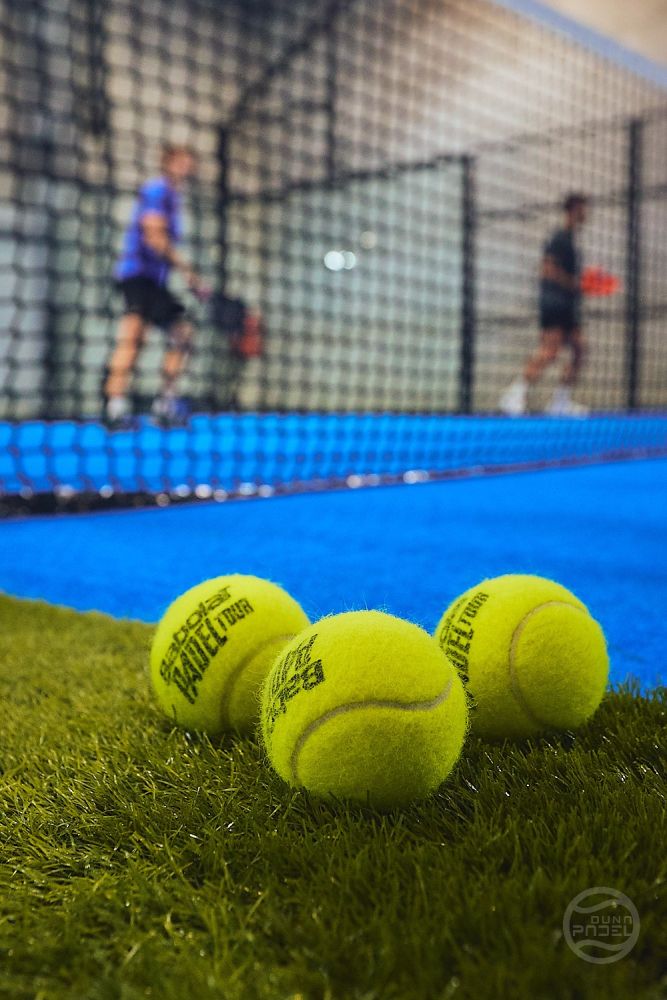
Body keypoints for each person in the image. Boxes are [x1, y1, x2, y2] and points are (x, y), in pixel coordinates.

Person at [104, 143, 207, 429]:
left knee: (181, 335)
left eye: (190, 163)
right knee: (134, 338)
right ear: (168, 163)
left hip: (153, 282)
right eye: (181, 161)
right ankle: (115, 409)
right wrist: (189, 274)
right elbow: (154, 236)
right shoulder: (157, 191)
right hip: (138, 277)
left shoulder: (173, 198)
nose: (187, 168)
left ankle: (163, 404)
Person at [500, 193, 589, 416]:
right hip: (554, 304)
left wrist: (581, 285)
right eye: (582, 209)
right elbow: (547, 270)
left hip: (568, 306)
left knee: (579, 349)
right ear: (572, 210)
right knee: (550, 351)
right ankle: (514, 394)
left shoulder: (571, 241)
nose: (586, 214)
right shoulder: (559, 238)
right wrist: (574, 284)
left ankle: (560, 403)